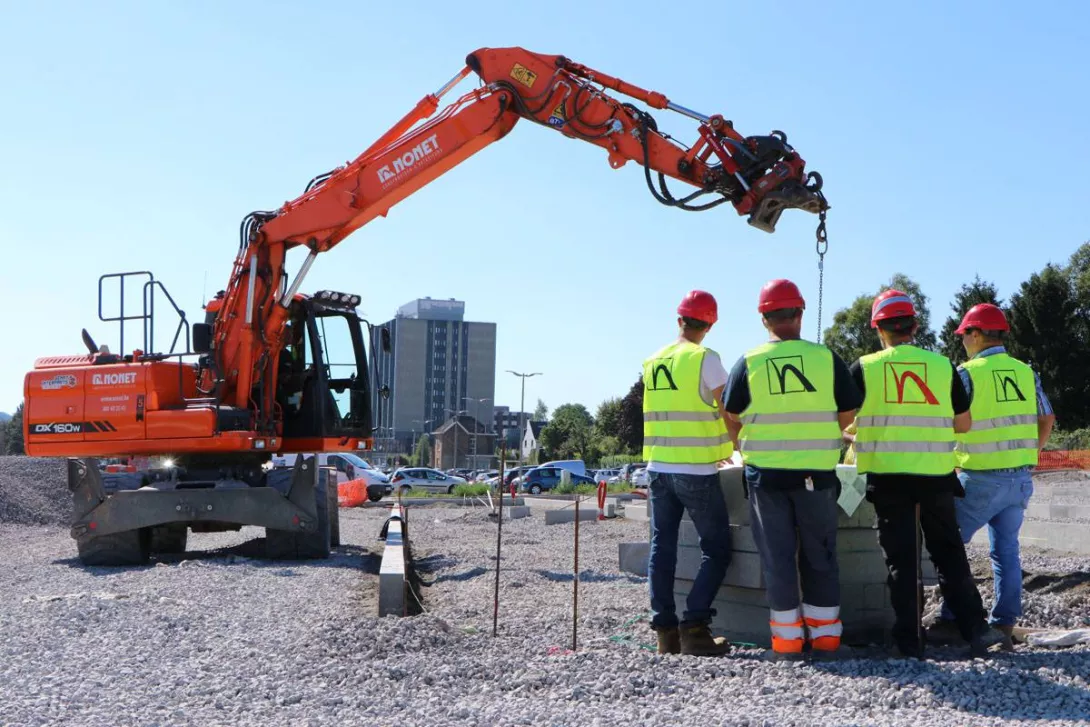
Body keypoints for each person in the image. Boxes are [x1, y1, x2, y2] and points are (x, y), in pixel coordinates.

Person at [847, 290, 1006, 658]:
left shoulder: (865, 367)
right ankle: (977, 632)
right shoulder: (941, 366)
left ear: (878, 329)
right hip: (935, 476)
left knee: (901, 559)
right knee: (949, 554)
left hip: (888, 479)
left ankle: (908, 641)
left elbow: (844, 418)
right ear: (915, 327)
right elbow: (963, 424)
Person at [723, 279, 862, 660]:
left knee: (778, 558)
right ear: (800, 314)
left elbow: (730, 414)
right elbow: (847, 413)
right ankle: (827, 640)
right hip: (817, 476)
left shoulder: (749, 362)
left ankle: (786, 644)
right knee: (821, 555)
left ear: (763, 318)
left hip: (766, 478)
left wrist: (743, 444)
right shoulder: (826, 358)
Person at [927, 303, 1056, 647]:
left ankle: (951, 619)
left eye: (964, 334)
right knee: (1006, 552)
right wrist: (1031, 453)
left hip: (980, 479)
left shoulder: (968, 373)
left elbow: (952, 422)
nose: (962, 341)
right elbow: (1047, 418)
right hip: (1019, 480)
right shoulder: (1025, 372)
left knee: (948, 548)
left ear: (977, 334)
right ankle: (1003, 624)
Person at [643, 289, 735, 656]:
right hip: (694, 469)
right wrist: (741, 446)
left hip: (657, 468)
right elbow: (731, 410)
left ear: (679, 320)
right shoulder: (704, 358)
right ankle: (694, 627)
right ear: (710, 325)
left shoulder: (653, 361)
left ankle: (665, 632)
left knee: (660, 549)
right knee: (717, 549)